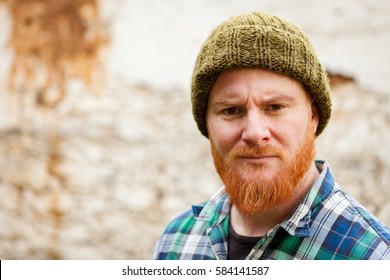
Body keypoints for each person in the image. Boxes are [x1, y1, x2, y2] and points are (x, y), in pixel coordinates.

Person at [152, 11, 390, 260]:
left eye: (275, 107)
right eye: (231, 110)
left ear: (313, 116)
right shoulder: (175, 242)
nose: (255, 133)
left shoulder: (374, 256)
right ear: (207, 125)